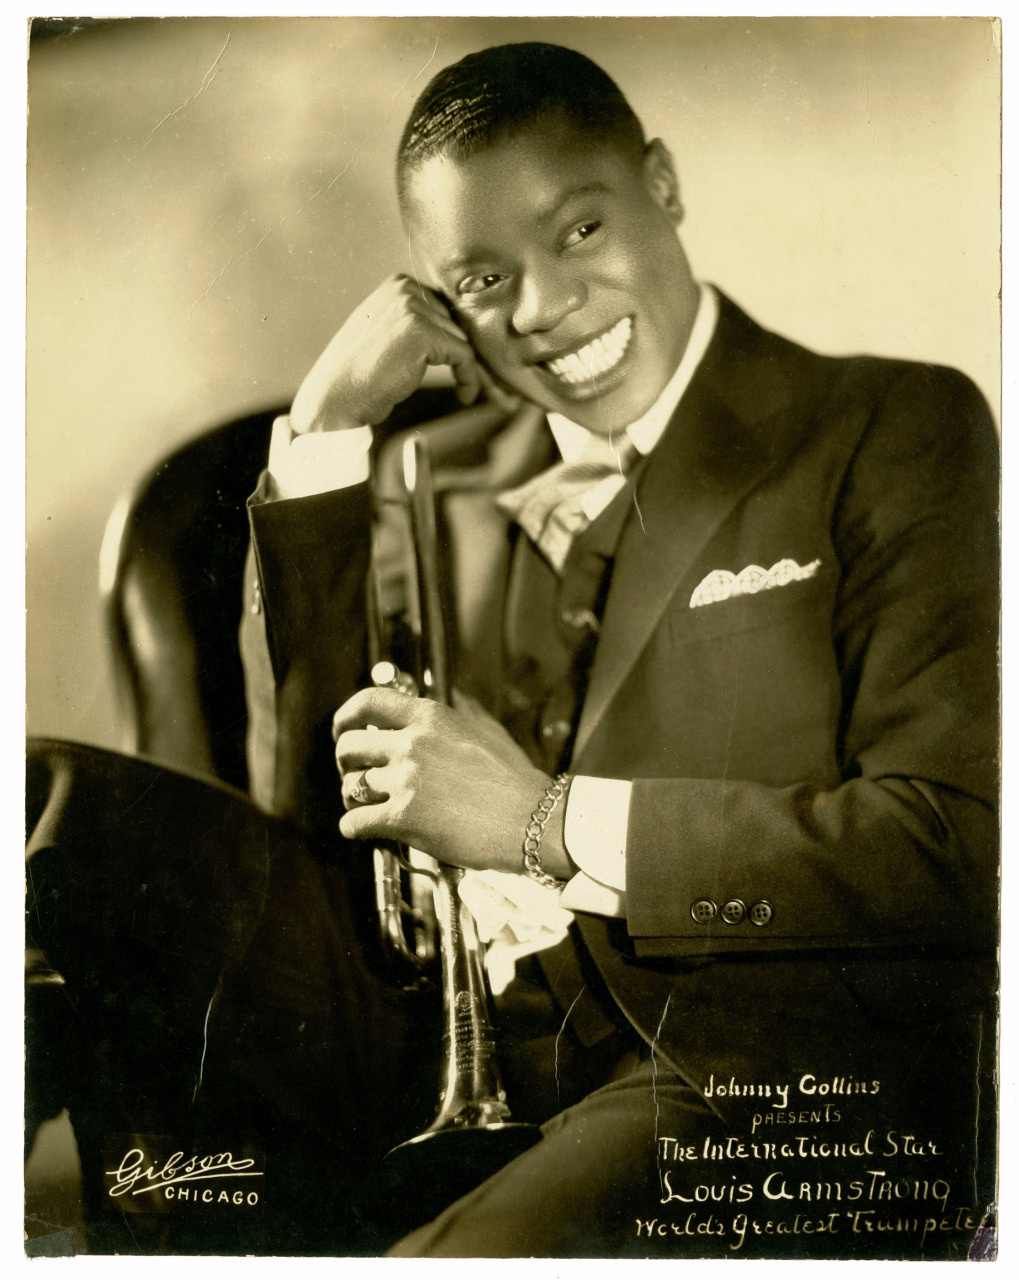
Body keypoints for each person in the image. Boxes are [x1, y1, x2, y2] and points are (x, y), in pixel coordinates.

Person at [28, 41, 998, 1259]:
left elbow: (954, 849)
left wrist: (542, 820)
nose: (539, 310)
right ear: (433, 297)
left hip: (738, 1070)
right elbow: (309, 826)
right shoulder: (425, 485)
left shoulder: (891, 426)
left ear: (662, 181)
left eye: (579, 232)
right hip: (432, 1052)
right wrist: (324, 436)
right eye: (481, 279)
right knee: (41, 797)